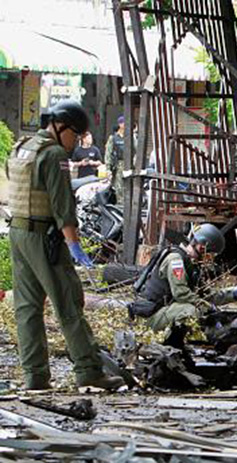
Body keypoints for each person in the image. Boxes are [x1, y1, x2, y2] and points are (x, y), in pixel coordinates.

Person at [5, 100, 123, 391]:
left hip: (18, 234)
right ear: (60, 127)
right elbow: (62, 207)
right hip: (46, 239)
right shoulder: (55, 153)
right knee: (69, 304)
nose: (75, 142)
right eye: (76, 134)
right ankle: (88, 371)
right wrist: (74, 246)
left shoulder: (24, 147)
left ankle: (36, 378)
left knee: (27, 309)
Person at [128, 223, 237, 333]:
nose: (211, 259)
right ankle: (173, 339)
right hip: (149, 316)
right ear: (202, 247)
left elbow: (204, 295)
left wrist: (232, 293)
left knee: (199, 308)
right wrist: (208, 307)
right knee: (191, 310)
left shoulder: (191, 265)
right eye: (211, 254)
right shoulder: (175, 260)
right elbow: (181, 294)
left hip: (162, 311)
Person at [105, 116, 125, 204]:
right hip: (118, 165)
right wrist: (108, 168)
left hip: (129, 165)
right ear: (120, 124)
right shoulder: (113, 138)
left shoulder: (130, 137)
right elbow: (108, 154)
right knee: (118, 188)